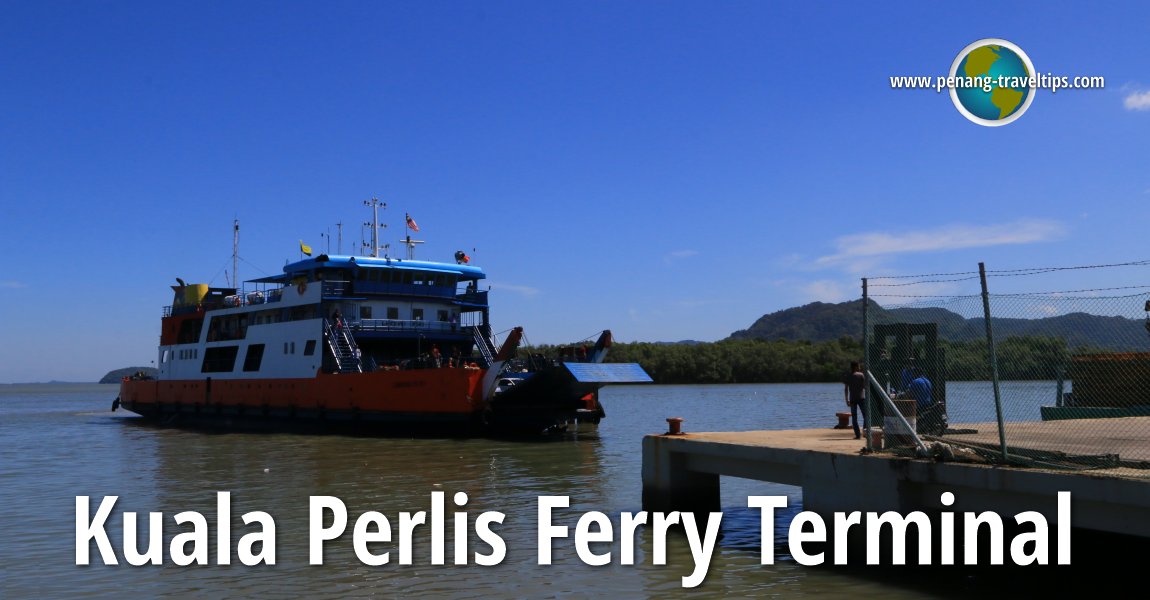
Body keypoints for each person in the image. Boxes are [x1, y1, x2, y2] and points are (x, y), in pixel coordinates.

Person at [843, 361, 867, 439]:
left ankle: (857, 435)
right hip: (861, 398)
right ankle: (865, 431)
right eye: (858, 366)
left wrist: (847, 400)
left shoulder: (848, 376)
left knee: (854, 417)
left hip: (852, 398)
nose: (859, 367)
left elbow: (846, 389)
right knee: (866, 416)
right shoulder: (861, 375)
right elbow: (864, 387)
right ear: (856, 367)